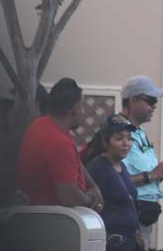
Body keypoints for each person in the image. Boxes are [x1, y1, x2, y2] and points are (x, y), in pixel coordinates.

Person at [16, 78, 103, 211]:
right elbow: (69, 197)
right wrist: (92, 200)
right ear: (74, 108)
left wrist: (93, 186)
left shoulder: (39, 125)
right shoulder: (59, 143)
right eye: (82, 106)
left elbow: (76, 163)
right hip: (55, 221)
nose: (83, 111)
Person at [85, 114, 144, 251]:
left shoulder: (121, 167)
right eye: (119, 138)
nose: (126, 143)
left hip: (130, 242)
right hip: (112, 244)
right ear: (106, 142)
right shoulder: (98, 167)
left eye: (129, 138)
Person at [119, 76, 163, 244]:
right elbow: (115, 179)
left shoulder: (139, 132)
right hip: (127, 215)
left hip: (144, 217)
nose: (154, 106)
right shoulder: (118, 133)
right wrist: (152, 175)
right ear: (133, 100)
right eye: (150, 101)